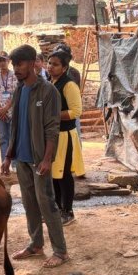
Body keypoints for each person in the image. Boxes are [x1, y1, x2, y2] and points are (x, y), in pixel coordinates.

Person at [0, 45, 68, 268]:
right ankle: (36, 244)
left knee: (46, 203)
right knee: (29, 203)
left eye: (19, 64)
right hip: (21, 158)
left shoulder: (48, 91)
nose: (15, 69)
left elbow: (52, 128)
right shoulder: (20, 89)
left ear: (31, 63)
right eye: (13, 65)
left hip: (39, 159)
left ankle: (60, 251)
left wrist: (47, 159)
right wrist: (9, 155)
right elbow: (15, 125)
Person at [47, 50, 85, 226]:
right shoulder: (49, 83)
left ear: (64, 67)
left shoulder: (69, 86)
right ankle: (56, 207)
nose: (50, 67)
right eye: (49, 63)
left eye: (55, 64)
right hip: (52, 136)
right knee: (54, 174)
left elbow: (76, 111)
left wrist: (52, 115)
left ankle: (68, 211)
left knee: (64, 175)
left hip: (65, 137)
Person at [0, 51, 18, 170]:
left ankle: (15, 164)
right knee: (3, 138)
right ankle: (4, 163)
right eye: (0, 60)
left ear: (8, 61)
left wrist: (6, 108)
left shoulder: (14, 75)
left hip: (12, 111)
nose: (2, 63)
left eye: (4, 60)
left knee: (13, 137)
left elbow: (15, 93)